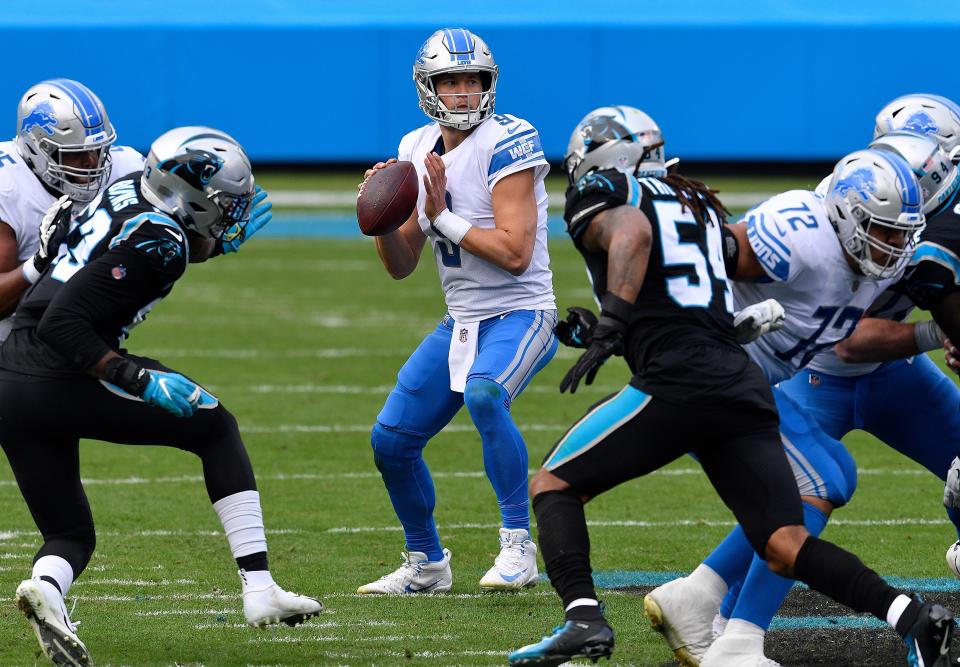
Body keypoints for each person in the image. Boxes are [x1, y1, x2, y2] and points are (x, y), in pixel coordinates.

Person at [507, 106, 955, 667]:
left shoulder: (898, 243)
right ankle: (748, 630)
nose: (893, 246)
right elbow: (698, 267)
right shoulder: (778, 223)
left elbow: (660, 254)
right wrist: (627, 327)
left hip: (713, 376)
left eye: (899, 234)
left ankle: (651, 608)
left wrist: (618, 323)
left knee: (558, 485)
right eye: (884, 231)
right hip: (729, 375)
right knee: (814, 494)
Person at [0, 126, 322, 666]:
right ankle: (260, 587)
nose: (230, 213)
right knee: (215, 427)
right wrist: (135, 377)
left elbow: (132, 245)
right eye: (222, 203)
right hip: (60, 370)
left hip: (9, 380)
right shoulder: (163, 243)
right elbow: (64, 323)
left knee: (69, 532)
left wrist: (212, 244)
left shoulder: (128, 189)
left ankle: (46, 588)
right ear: (190, 194)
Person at [662, 118, 960, 667]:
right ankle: (737, 631)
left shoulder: (909, 212)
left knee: (819, 479)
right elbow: (849, 341)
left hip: (893, 372)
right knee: (806, 487)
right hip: (816, 370)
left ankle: (699, 595)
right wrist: (935, 331)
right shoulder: (843, 216)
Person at [356, 27, 557, 594]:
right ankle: (426, 563)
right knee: (391, 442)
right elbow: (402, 264)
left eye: (473, 80)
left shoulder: (510, 139)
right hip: (462, 321)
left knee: (485, 393)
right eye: (451, 81)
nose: (464, 92)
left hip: (523, 312)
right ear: (429, 87)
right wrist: (376, 219)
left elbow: (517, 255)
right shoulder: (415, 147)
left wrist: (441, 214)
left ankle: (518, 544)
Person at [0, 78, 145, 338]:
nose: (92, 163)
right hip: (10, 341)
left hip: (81, 335)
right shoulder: (7, 187)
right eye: (76, 153)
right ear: (37, 148)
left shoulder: (127, 169)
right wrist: (39, 263)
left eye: (98, 149)